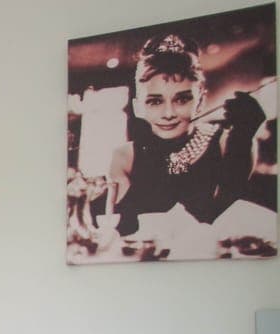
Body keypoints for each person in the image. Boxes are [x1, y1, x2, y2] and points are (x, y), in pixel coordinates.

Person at [108, 33, 267, 237]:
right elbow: (116, 232)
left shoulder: (229, 142)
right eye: (155, 101)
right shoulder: (124, 156)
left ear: (200, 101)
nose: (169, 114)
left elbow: (228, 215)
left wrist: (243, 138)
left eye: (182, 100)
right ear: (137, 107)